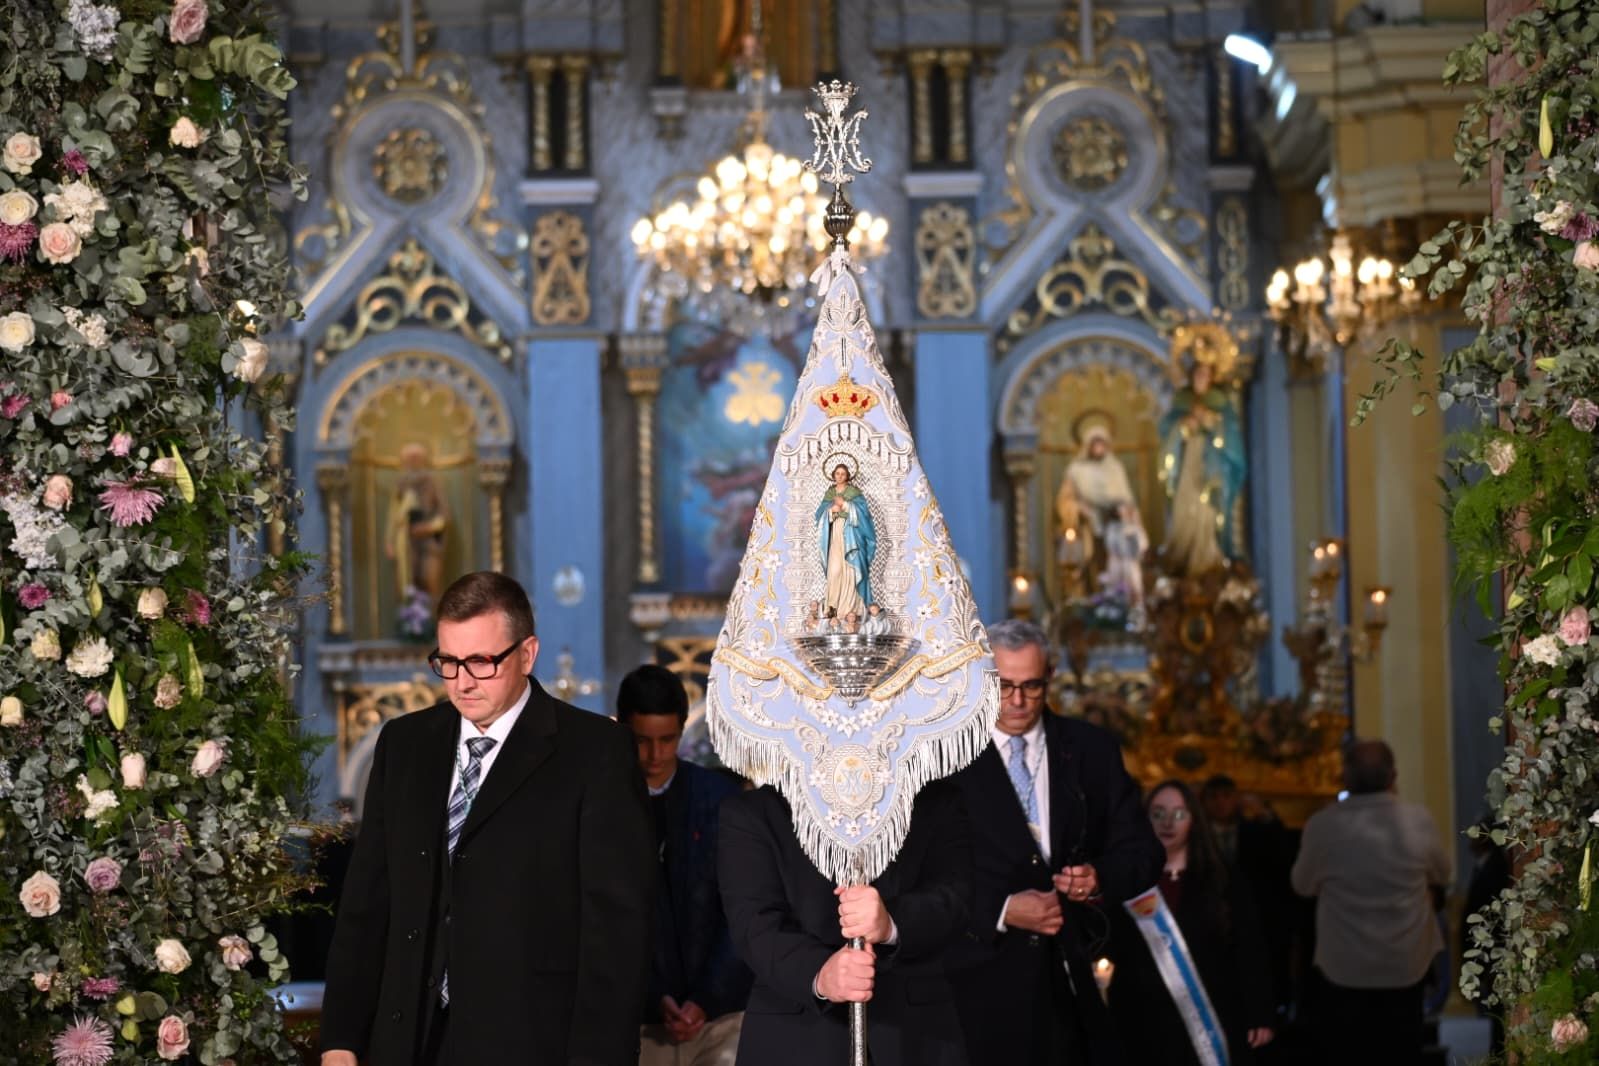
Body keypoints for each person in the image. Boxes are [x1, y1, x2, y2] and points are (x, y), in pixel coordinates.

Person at [320, 571, 654, 1066]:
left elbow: (617, 937)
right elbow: (367, 904)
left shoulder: (595, 753)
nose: (462, 681)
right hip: (409, 1040)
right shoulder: (405, 745)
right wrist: (340, 1040)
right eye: (448, 662)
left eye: (481, 661)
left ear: (527, 653)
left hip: (531, 1043)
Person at [946, 619, 1164, 1065]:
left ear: (1050, 679)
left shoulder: (1091, 750)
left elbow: (1142, 852)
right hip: (976, 988)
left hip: (1072, 985)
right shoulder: (946, 754)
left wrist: (1098, 877)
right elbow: (921, 868)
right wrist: (1002, 910)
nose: (1019, 701)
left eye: (1031, 686)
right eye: (1004, 687)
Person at [718, 779, 972, 1066]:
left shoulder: (935, 800)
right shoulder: (755, 811)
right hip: (794, 1036)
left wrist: (891, 924)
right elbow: (754, 924)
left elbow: (955, 900)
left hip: (918, 1037)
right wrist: (820, 974)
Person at [618, 664, 751, 1066]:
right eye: (642, 741)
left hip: (721, 1022)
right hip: (635, 1024)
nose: (655, 755)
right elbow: (603, 917)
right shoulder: (602, 803)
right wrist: (654, 996)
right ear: (621, 728)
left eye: (668, 740)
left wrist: (705, 999)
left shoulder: (722, 801)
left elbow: (744, 911)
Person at [1291, 739, 1451, 1066]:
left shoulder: (1323, 825)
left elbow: (1302, 885)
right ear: (1393, 776)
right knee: (1401, 1053)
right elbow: (1442, 873)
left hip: (1343, 967)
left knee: (1349, 1054)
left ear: (1344, 778)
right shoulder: (1417, 820)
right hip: (1405, 964)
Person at [1106, 780, 1275, 1065]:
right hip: (1141, 1022)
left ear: (1195, 821)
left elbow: (1250, 949)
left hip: (1210, 1018)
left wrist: (1260, 1012)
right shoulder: (1125, 880)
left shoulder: (1224, 881)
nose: (1168, 822)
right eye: (1158, 813)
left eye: (1179, 814)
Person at [1201, 774, 1294, 1017]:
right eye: (1214, 797)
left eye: (1227, 796)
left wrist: (1265, 814)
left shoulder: (1255, 831)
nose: (1221, 803)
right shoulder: (1197, 837)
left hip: (1256, 913)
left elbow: (1282, 857)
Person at [1159, 360, 1245, 576]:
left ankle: (1208, 559)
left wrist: (1211, 423)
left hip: (1211, 465)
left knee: (1207, 508)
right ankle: (1182, 557)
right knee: (1183, 505)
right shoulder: (1181, 403)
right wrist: (1184, 426)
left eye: (1205, 374)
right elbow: (1167, 432)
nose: (1201, 378)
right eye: (1197, 373)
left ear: (1212, 377)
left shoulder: (1220, 403)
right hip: (1186, 461)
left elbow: (1231, 440)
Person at [813, 462, 876, 625]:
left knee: (850, 571)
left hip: (851, 537)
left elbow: (864, 515)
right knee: (834, 571)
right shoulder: (830, 494)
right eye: (837, 473)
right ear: (833, 475)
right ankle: (832, 609)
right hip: (835, 536)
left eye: (843, 474)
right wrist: (830, 511)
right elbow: (819, 515)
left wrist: (846, 504)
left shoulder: (855, 493)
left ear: (848, 476)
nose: (840, 476)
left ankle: (850, 610)